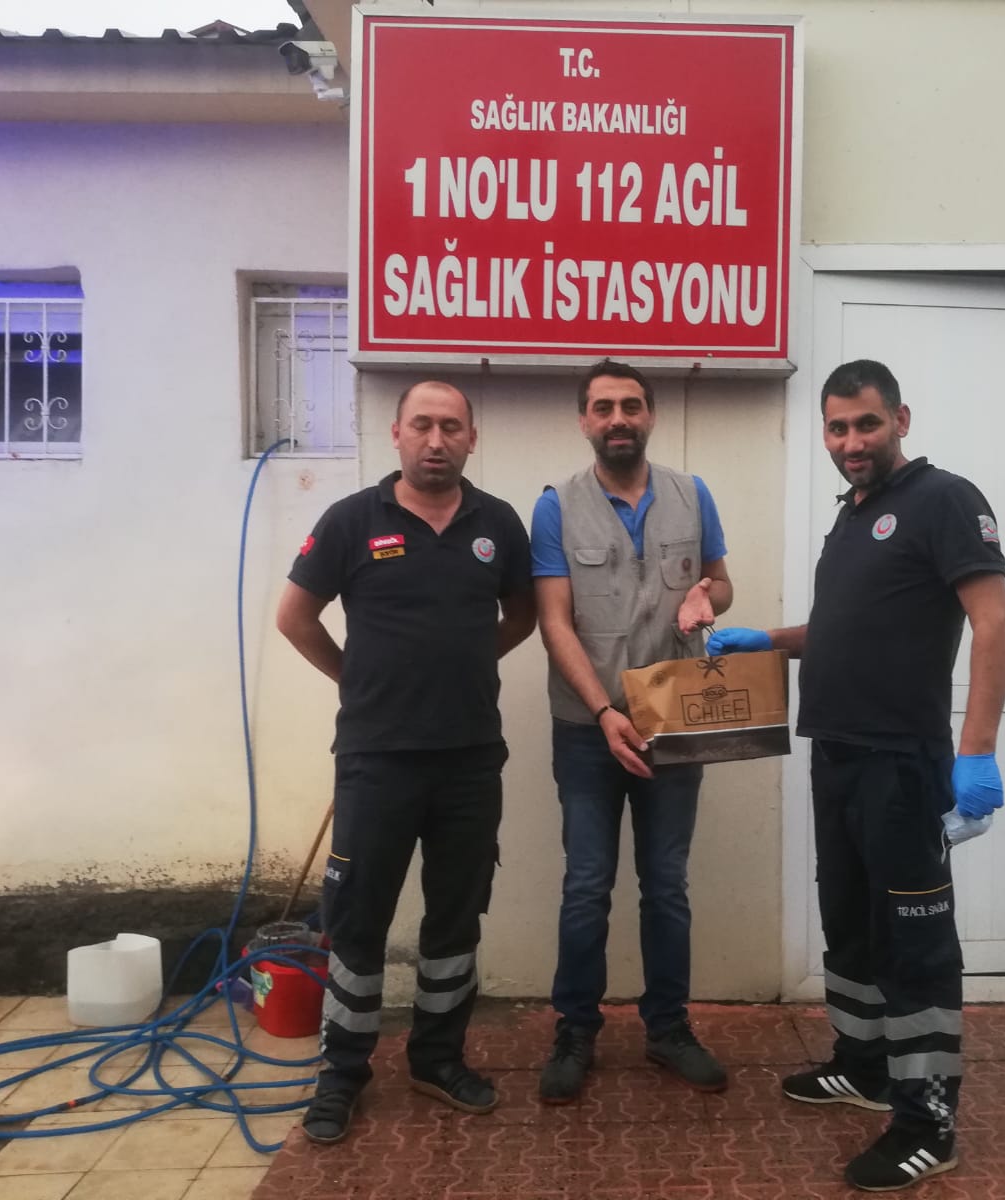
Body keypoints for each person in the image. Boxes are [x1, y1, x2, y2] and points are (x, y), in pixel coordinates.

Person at [708, 358, 1005, 1191]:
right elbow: (844, 628)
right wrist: (768, 641)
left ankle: (927, 1122)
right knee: (849, 923)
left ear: (899, 420)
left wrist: (976, 749)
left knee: (913, 944)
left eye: (866, 424)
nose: (850, 441)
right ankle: (865, 1066)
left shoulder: (944, 499)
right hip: (836, 752)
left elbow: (991, 623)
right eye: (837, 428)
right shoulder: (852, 515)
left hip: (902, 764)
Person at [275, 380, 536, 1144]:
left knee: (455, 918)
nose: (436, 439)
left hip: (469, 762)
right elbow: (294, 616)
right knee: (357, 921)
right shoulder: (352, 520)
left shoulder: (498, 524)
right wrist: (355, 678)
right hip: (376, 761)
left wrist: (468, 662)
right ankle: (341, 1075)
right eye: (422, 424)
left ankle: (437, 1059)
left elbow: (522, 614)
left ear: (471, 438)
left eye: (451, 426)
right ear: (396, 433)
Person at [532, 359, 736, 1103]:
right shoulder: (555, 506)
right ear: (584, 421)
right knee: (587, 886)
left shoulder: (693, 493)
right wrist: (604, 711)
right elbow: (554, 622)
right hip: (587, 728)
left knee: (667, 886)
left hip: (673, 719)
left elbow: (721, 581)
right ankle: (575, 1031)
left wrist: (706, 597)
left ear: (649, 415)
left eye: (630, 406)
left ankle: (668, 1029)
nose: (617, 418)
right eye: (603, 407)